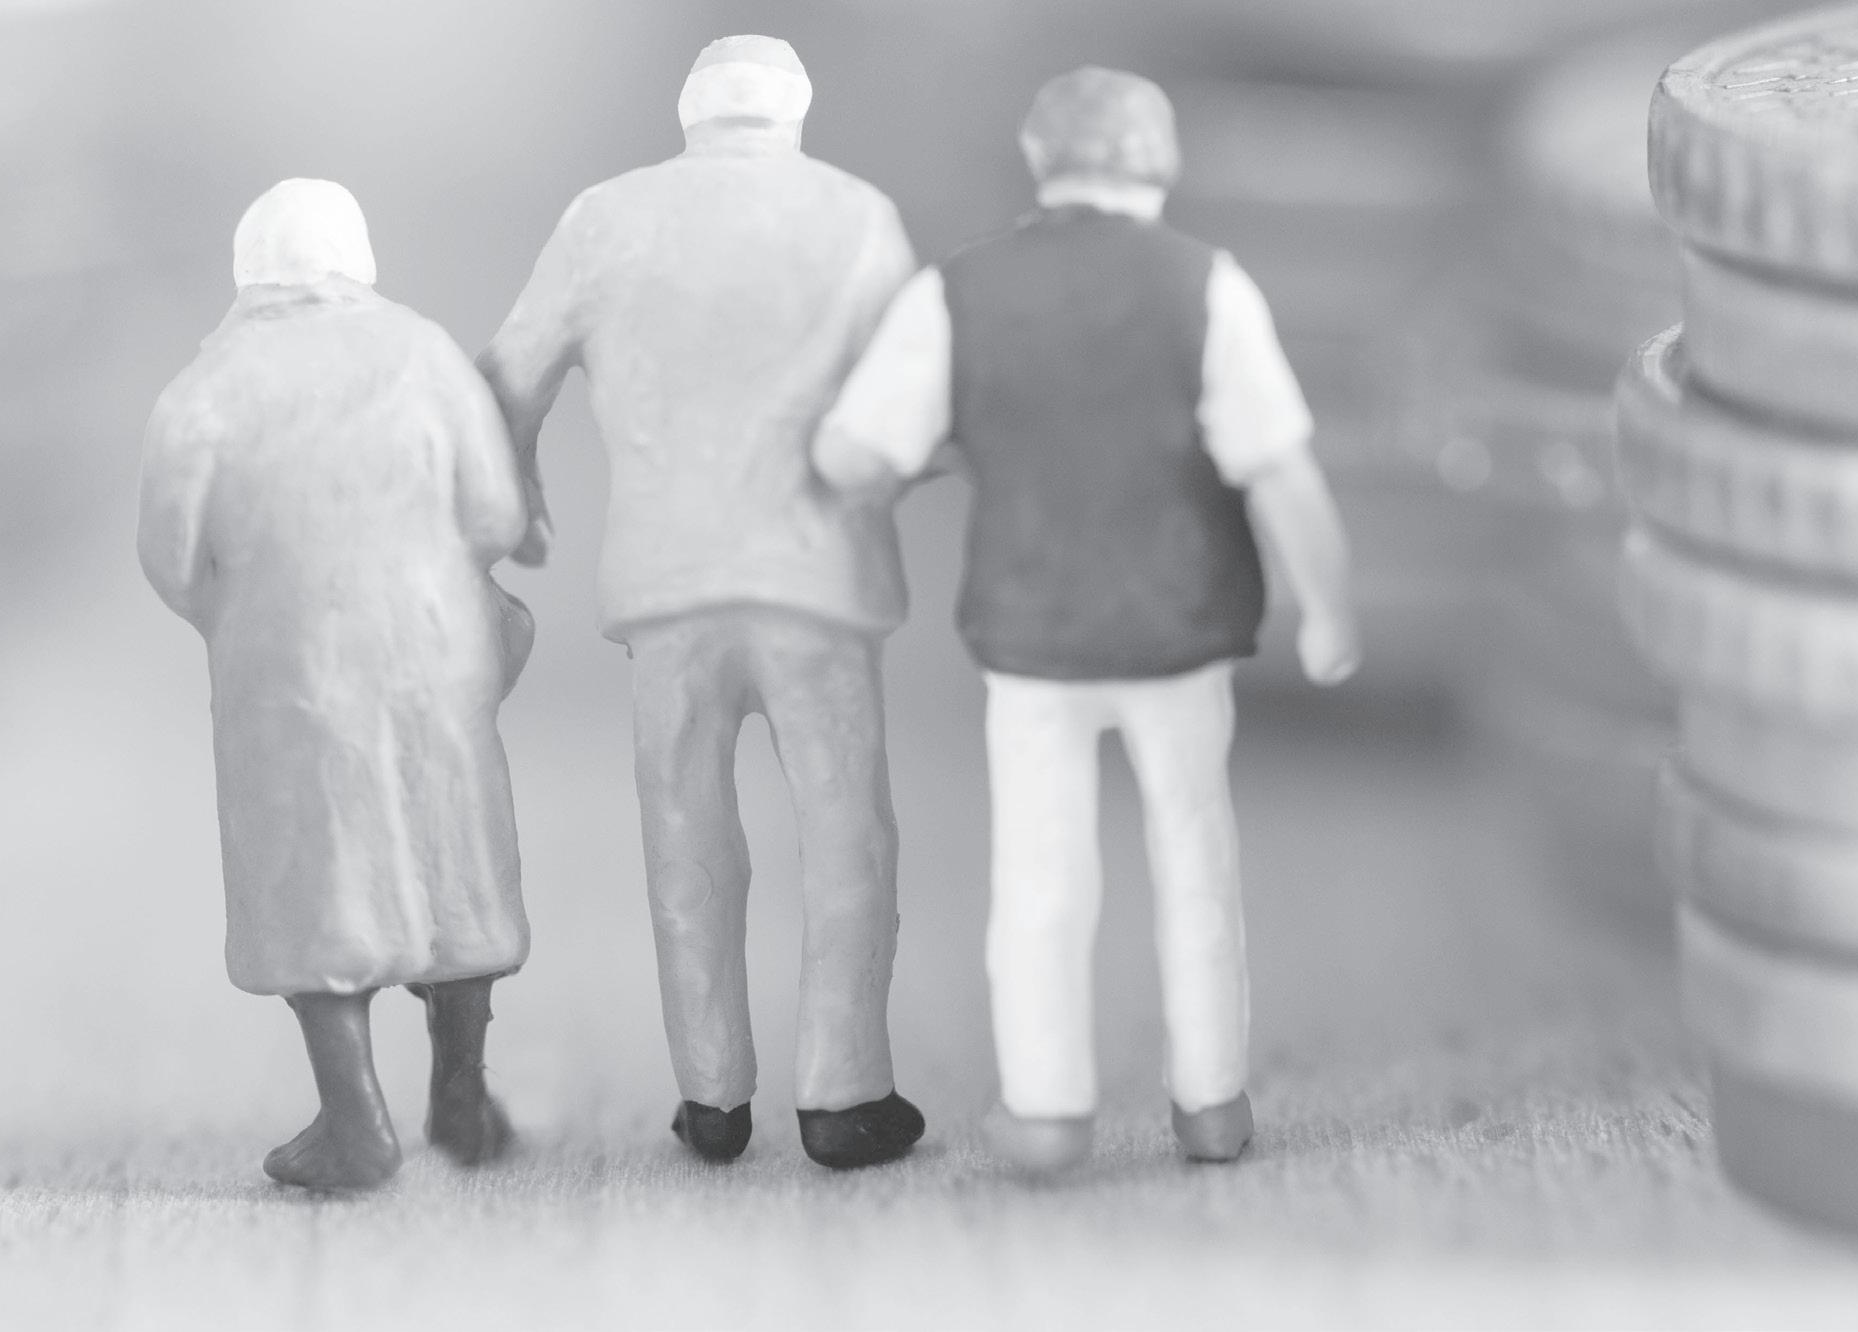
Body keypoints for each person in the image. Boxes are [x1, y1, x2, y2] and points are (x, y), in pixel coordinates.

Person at [813, 67, 1360, 1174]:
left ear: (1038, 156)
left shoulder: (958, 291)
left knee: (1038, 876)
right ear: (1162, 160)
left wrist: (948, 446)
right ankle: (1211, 1102)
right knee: (1197, 865)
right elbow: (1281, 470)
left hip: (1032, 634)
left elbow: (852, 455)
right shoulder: (1207, 285)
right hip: (1180, 628)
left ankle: (1048, 1106)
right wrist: (1328, 609)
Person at [479, 35, 925, 1169]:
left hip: (665, 579)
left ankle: (712, 1095)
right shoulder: (857, 215)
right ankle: (845, 1091)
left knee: (683, 830)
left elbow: (508, 376)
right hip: (817, 574)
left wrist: (513, 506)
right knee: (844, 833)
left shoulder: (605, 219)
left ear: (690, 112)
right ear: (795, 110)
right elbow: (913, 389)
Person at [139, 179, 536, 1192]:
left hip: (290, 668)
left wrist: (239, 618)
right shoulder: (426, 356)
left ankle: (354, 1121)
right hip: (434, 644)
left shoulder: (204, 391)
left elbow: (170, 559)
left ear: (249, 270)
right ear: (356, 259)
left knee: (314, 879)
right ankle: (462, 1097)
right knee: (452, 863)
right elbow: (494, 515)